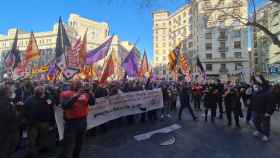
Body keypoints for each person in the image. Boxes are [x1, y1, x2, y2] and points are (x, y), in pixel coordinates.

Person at [59, 81, 95, 158]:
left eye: (80, 84)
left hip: (82, 121)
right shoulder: (65, 93)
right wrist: (76, 95)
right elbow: (65, 106)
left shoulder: (85, 94)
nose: (80, 85)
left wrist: (90, 92)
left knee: (79, 144)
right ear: (72, 85)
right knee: (67, 145)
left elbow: (92, 103)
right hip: (71, 123)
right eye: (77, 83)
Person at [23, 86, 54, 158]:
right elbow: (25, 110)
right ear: (41, 93)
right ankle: (32, 152)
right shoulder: (32, 99)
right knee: (34, 138)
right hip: (36, 123)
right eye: (43, 92)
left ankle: (37, 150)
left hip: (39, 122)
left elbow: (52, 103)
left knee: (37, 138)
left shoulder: (44, 99)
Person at [0, 83, 20, 158]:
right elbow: (10, 117)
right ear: (6, 93)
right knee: (5, 152)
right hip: (7, 133)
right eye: (10, 91)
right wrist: (17, 111)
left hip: (6, 132)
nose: (12, 92)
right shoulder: (5, 104)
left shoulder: (8, 102)